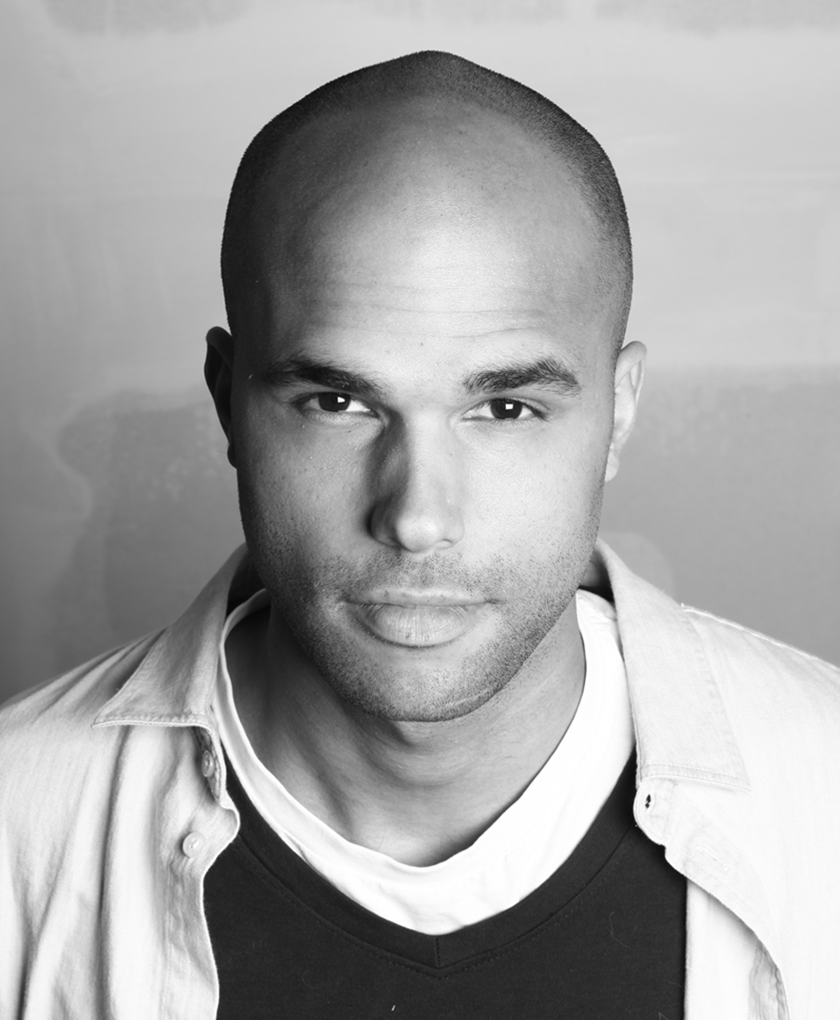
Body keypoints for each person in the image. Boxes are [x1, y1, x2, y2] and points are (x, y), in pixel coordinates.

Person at [1, 50, 837, 1020]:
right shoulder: (19, 827)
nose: (416, 517)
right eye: (338, 402)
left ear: (618, 412)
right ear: (228, 402)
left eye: (506, 409)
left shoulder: (822, 799)